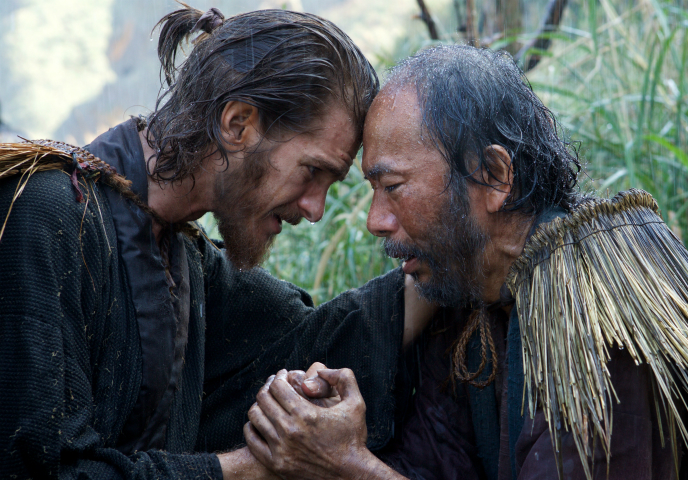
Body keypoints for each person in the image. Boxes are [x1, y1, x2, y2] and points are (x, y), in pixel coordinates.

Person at [246, 45, 688, 480]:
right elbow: (429, 465)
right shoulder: (471, 294)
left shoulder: (599, 320)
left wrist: (348, 468)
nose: (376, 220)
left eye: (393, 187)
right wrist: (333, 430)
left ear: (494, 176)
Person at [0, 6, 434, 480]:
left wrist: (445, 253)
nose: (315, 209)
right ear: (238, 125)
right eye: (312, 172)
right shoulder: (43, 213)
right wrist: (248, 467)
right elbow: (41, 468)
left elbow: (312, 339)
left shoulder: (183, 254)